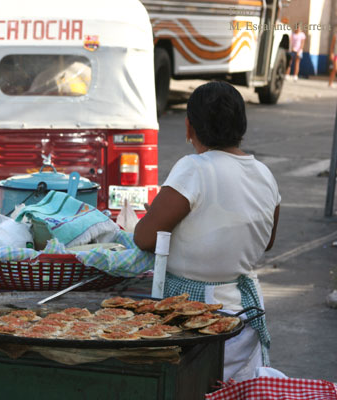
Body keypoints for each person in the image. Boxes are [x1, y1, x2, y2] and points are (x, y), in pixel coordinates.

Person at [133, 81, 280, 382]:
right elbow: (267, 242)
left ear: (189, 128)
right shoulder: (265, 175)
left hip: (192, 316)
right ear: (242, 125)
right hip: (243, 314)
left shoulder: (195, 168)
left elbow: (144, 238)